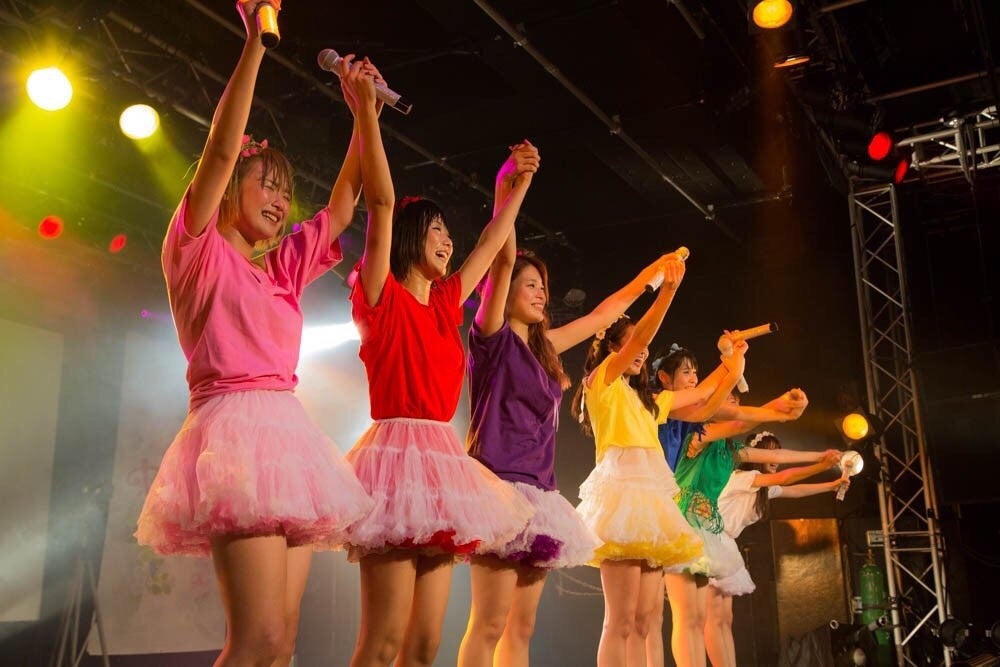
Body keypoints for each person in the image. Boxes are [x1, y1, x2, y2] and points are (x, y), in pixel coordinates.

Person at [136, 5, 375, 665]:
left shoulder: (283, 268)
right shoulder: (195, 250)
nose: (277, 199)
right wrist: (254, 44)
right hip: (233, 435)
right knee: (257, 638)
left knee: (283, 642)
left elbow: (344, 206)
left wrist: (364, 113)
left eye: (284, 191)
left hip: (288, 437)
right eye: (265, 184)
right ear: (228, 189)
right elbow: (219, 149)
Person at [458, 154, 691, 666]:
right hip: (497, 486)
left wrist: (653, 276)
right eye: (532, 285)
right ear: (505, 293)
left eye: (544, 286)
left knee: (521, 628)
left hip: (540, 493)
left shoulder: (547, 348)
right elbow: (500, 258)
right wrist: (509, 186)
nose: (542, 293)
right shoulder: (492, 338)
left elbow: (606, 312)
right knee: (490, 622)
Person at [341, 62, 537, 667]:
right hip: (394, 459)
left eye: (448, 230)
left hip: (442, 466)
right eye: (434, 230)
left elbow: (492, 244)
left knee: (424, 647)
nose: (447, 239)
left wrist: (516, 185)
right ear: (409, 239)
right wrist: (366, 111)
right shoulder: (380, 294)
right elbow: (380, 202)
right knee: (383, 643)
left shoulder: (448, 302)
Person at [570, 258, 747, 667]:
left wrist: (732, 364)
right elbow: (641, 339)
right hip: (621, 497)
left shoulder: (649, 401)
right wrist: (667, 291)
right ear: (611, 347)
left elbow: (701, 400)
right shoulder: (602, 381)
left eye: (643, 347)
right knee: (620, 620)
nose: (643, 351)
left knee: (646, 619)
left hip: (652, 503)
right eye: (633, 344)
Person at [644, 345, 813, 667]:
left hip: (684, 517)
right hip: (658, 508)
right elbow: (731, 416)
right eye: (686, 372)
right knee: (652, 617)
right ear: (664, 378)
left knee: (693, 617)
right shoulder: (664, 407)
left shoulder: (696, 420)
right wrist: (732, 366)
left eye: (695, 372)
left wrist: (780, 408)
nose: (694, 378)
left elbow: (736, 419)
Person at [704, 431, 845, 667]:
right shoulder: (743, 477)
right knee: (714, 616)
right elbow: (787, 479)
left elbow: (796, 491)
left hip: (725, 544)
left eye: (776, 453)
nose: (775, 459)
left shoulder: (764, 488)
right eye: (770, 452)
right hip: (709, 539)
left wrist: (832, 485)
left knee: (725, 618)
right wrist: (821, 464)